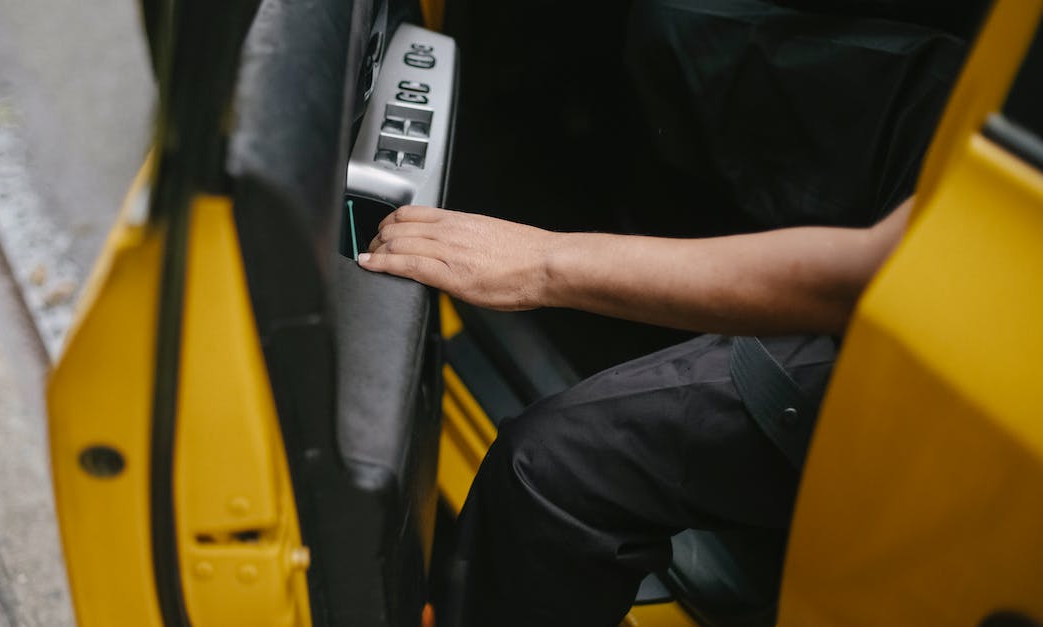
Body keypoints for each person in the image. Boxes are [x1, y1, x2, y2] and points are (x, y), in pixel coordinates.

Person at [358, 1, 987, 624]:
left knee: (550, 469)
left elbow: (871, 280)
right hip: (985, 186)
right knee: (679, 33)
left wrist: (544, 262)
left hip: (970, 334)